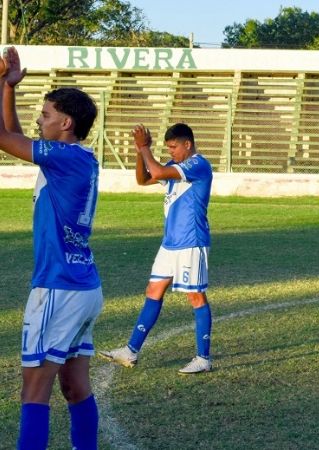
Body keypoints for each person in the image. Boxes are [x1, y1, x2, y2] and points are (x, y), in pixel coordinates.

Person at [0, 47, 103, 449]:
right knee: (75, 386)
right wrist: (9, 89)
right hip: (83, 287)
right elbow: (15, 137)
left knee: (33, 391)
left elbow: (4, 139)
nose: (39, 121)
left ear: (66, 123)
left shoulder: (63, 158)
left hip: (58, 287)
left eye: (45, 115)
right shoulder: (75, 157)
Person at [99, 123, 214, 374]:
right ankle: (131, 351)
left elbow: (159, 172)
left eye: (174, 147)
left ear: (188, 144)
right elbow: (143, 179)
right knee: (153, 290)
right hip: (170, 243)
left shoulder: (198, 165)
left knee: (195, 296)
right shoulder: (176, 168)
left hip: (190, 242)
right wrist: (141, 152)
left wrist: (144, 148)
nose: (171, 151)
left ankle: (203, 358)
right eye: (168, 148)